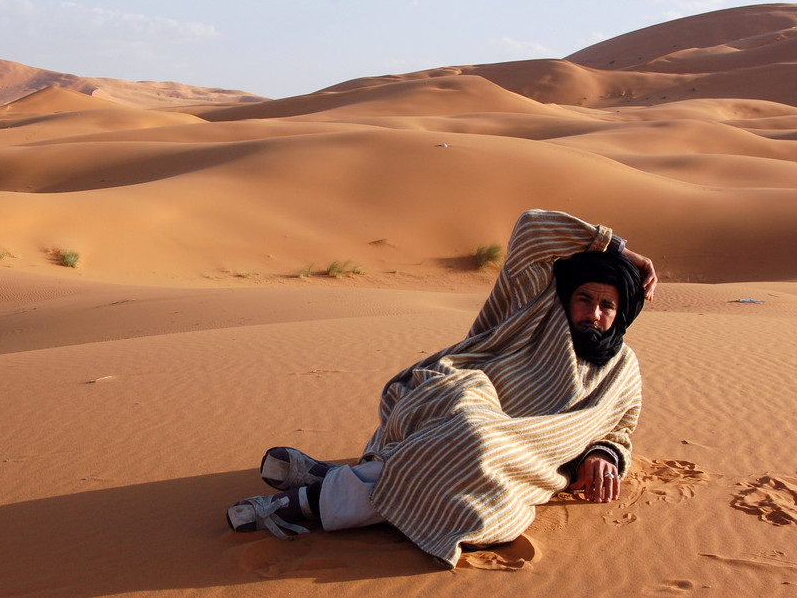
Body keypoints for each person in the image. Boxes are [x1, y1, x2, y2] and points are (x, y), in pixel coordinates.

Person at [226, 209, 658, 568]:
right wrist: (620, 249)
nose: (594, 313)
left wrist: (605, 454)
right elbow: (532, 227)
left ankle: (319, 498)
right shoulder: (535, 314)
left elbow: (620, 428)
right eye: (585, 298)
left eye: (607, 305)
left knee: (476, 443)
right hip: (463, 400)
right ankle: (340, 488)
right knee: (462, 417)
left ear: (619, 313)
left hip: (519, 455)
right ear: (567, 298)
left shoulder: (623, 370)